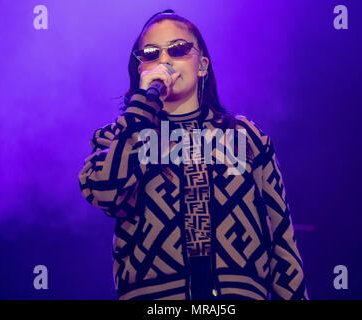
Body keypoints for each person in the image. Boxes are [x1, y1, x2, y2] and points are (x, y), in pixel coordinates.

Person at [78, 9, 309, 300]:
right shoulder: (117, 137)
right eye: (150, 54)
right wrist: (139, 113)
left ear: (202, 65)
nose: (164, 60)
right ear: (141, 71)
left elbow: (281, 237)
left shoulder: (245, 136)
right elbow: (107, 192)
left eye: (178, 49)